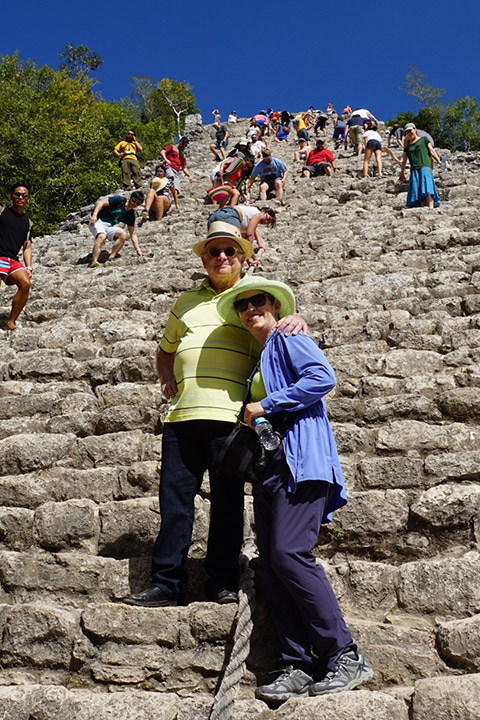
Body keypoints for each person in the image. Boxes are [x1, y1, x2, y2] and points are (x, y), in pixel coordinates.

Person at [121, 223, 306, 609]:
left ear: (242, 257)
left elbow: (278, 323)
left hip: (231, 418)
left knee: (227, 502)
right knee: (174, 502)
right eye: (214, 251)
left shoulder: (252, 299)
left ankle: (221, 580)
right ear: (204, 259)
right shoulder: (186, 301)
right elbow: (165, 349)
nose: (222, 257)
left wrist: (298, 319)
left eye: (230, 251)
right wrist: (166, 377)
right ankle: (166, 583)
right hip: (182, 416)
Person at [216, 276, 374, 702]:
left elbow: (323, 377)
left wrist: (266, 404)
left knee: (289, 554)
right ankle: (296, 663)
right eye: (243, 304)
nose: (251, 308)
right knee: (271, 565)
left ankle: (344, 654)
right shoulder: (262, 356)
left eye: (259, 301)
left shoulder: (288, 339)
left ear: (276, 306)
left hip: (301, 463)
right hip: (271, 469)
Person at [0, 184, 33, 332]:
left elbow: (27, 247)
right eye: (17, 194)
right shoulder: (2, 212)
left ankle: (10, 322)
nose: (20, 197)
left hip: (12, 259)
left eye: (24, 196)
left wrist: (28, 266)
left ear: (28, 200)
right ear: (11, 196)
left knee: (25, 283)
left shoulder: (28, 223)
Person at [88, 191, 147, 267]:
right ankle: (94, 261)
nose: (134, 204)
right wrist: (94, 215)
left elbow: (133, 234)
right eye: (133, 201)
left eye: (137, 204)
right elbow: (101, 202)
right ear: (131, 198)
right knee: (102, 236)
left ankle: (111, 257)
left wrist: (138, 250)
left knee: (123, 234)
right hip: (97, 221)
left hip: (108, 226)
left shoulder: (130, 214)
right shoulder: (120, 200)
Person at [398, 123, 441, 208]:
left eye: (410, 131)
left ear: (415, 129)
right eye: (407, 132)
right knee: (418, 189)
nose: (409, 133)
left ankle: (431, 207)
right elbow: (404, 161)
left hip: (425, 166)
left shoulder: (424, 140)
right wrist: (402, 173)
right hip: (414, 170)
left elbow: (431, 151)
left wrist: (439, 160)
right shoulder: (407, 148)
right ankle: (423, 208)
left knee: (427, 187)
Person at [207, 205, 276, 255]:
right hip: (229, 214)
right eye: (268, 218)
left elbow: (255, 231)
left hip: (216, 215)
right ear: (263, 211)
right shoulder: (257, 214)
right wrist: (250, 254)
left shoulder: (250, 217)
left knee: (215, 245)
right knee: (235, 242)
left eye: (268, 222)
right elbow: (250, 234)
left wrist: (260, 244)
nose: (266, 222)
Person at [160, 137, 193, 206]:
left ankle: (171, 199)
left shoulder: (183, 156)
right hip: (168, 167)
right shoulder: (172, 147)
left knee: (176, 187)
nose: (183, 146)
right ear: (180, 141)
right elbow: (162, 151)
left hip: (176, 171)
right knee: (171, 177)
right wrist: (166, 159)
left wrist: (189, 175)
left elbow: (184, 168)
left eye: (185, 145)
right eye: (183, 143)